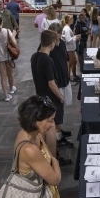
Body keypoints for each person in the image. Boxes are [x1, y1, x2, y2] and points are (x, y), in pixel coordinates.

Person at [12, 95, 69, 198]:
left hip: (42, 195)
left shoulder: (32, 133)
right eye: (49, 120)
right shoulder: (29, 149)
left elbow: (49, 152)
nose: (53, 124)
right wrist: (55, 162)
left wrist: (50, 134)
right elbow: (55, 179)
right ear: (35, 119)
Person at [32, 30, 73, 165]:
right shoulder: (48, 60)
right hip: (50, 99)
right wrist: (60, 97)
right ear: (51, 44)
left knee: (43, 129)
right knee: (51, 129)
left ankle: (44, 155)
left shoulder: (34, 56)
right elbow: (51, 83)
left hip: (40, 96)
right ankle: (53, 158)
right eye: (55, 42)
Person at [0, 16, 17, 101]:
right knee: (10, 74)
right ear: (2, 22)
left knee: (3, 76)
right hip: (8, 55)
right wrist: (14, 35)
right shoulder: (7, 31)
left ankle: (6, 95)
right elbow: (15, 44)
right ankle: (11, 88)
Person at [61, 14, 81, 82]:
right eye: (72, 19)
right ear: (69, 20)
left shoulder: (68, 28)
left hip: (71, 49)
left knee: (74, 62)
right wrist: (75, 37)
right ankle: (68, 77)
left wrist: (75, 37)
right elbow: (68, 40)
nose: (73, 20)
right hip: (69, 49)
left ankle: (74, 76)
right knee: (70, 64)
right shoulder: (66, 29)